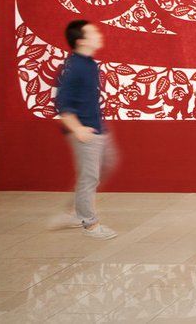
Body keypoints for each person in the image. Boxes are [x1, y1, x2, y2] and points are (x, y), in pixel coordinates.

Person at [53, 21, 118, 240]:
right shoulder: (75, 67)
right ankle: (89, 224)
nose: (99, 34)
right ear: (81, 41)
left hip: (96, 128)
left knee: (104, 167)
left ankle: (74, 211)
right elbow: (63, 103)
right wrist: (78, 129)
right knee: (89, 178)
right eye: (93, 32)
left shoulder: (89, 64)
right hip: (85, 132)